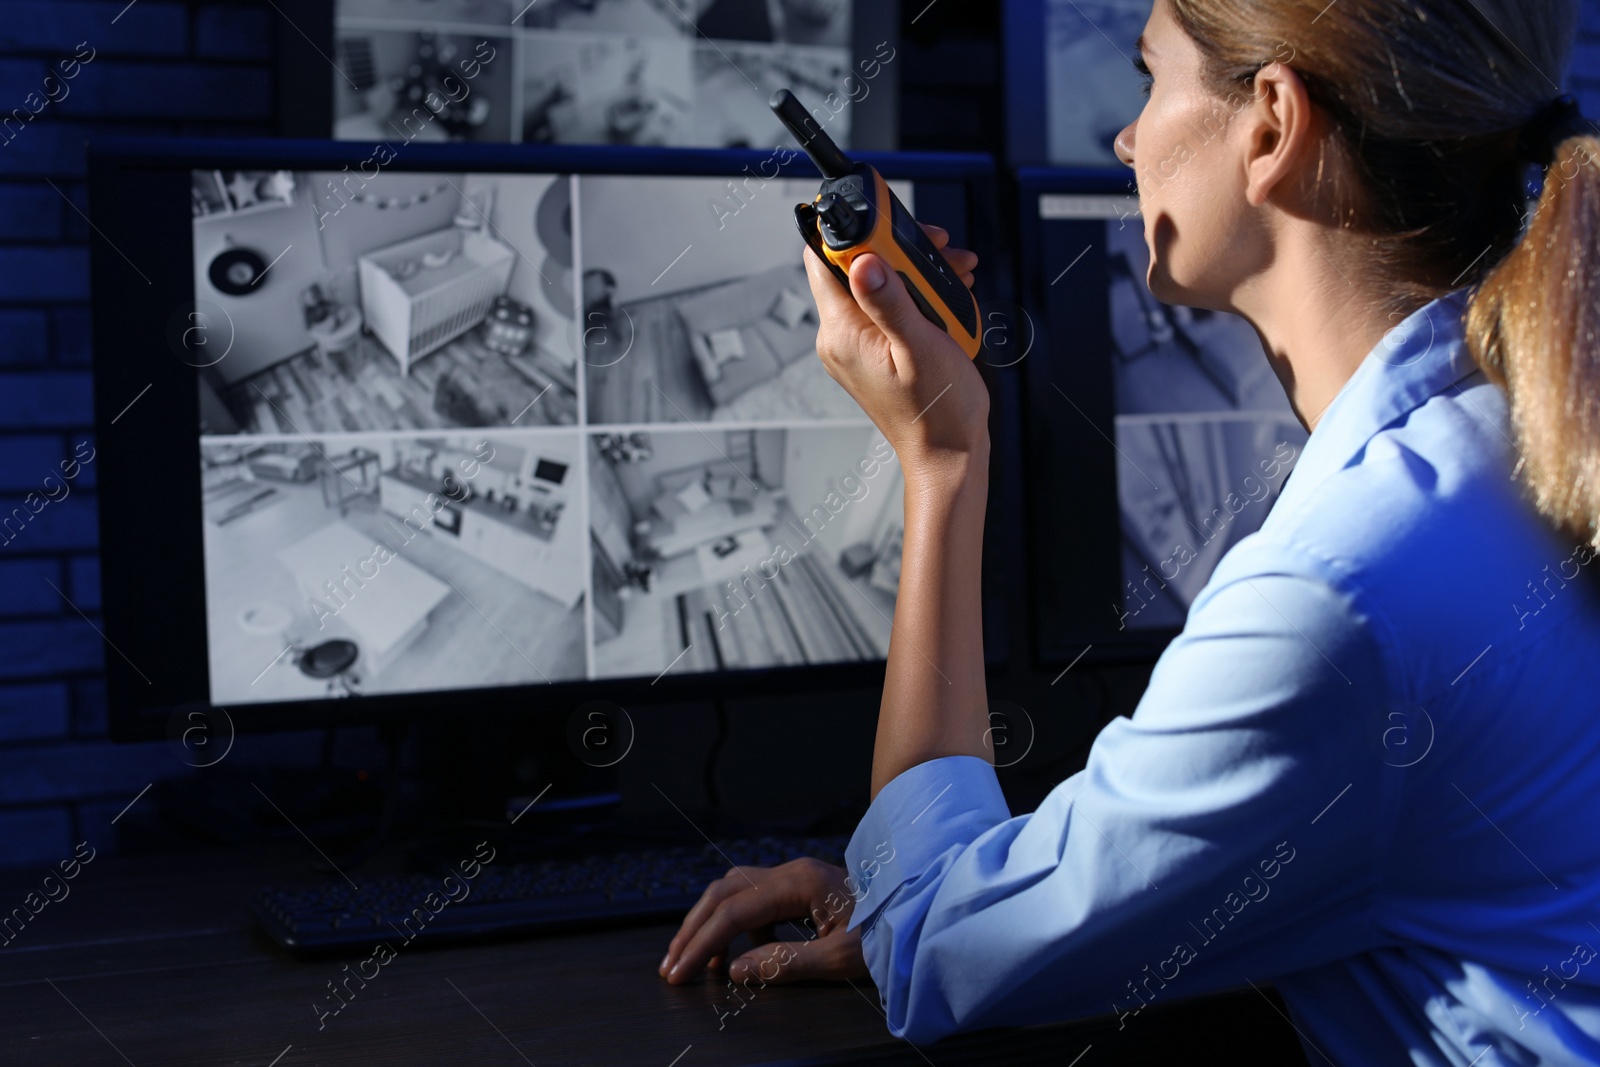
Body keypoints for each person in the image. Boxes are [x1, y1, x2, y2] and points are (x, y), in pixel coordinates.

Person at [660, 0, 1600, 1061]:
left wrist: (943, 456)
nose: (1124, 138)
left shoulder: (1339, 597)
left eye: (1148, 80)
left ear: (1271, 127)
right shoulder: (1518, 435)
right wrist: (943, 894)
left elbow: (932, 953)